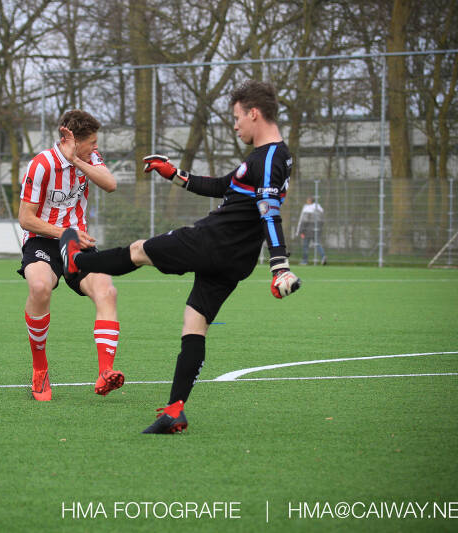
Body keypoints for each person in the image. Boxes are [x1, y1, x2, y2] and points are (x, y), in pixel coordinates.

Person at [59, 80, 301, 433]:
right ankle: (175, 410)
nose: (235, 126)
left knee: (139, 250)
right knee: (195, 324)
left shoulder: (268, 159)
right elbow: (224, 186)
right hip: (236, 259)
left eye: (237, 118)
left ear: (254, 113)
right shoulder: (274, 156)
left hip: (213, 241)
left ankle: (76, 263)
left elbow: (269, 210)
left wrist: (280, 266)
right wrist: (175, 174)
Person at [17, 109, 124, 402]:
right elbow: (25, 219)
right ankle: (40, 370)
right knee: (40, 287)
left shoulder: (89, 158)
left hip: (78, 243)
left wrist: (76, 159)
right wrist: (64, 233)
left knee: (107, 291)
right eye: (92, 142)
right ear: (74, 140)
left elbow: (111, 185)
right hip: (42, 240)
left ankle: (105, 372)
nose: (96, 147)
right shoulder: (41, 164)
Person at [296, 196, 326, 265]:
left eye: (307, 200)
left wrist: (301, 231)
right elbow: (322, 221)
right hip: (317, 230)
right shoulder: (319, 209)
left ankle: (304, 261)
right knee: (317, 244)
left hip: (307, 231)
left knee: (305, 246)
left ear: (310, 201)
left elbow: (304, 221)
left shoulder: (307, 209)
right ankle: (323, 256)